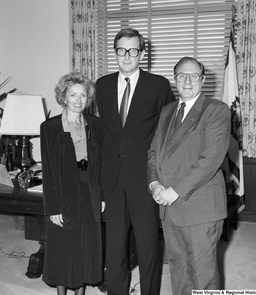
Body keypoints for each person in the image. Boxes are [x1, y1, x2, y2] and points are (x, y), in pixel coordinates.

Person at [95, 28, 175, 295]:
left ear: (142, 53)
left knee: (148, 246)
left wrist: (163, 176)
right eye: (121, 50)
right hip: (114, 179)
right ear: (115, 52)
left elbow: (169, 132)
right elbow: (104, 133)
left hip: (146, 179)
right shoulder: (102, 85)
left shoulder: (159, 85)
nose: (126, 56)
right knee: (115, 245)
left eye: (132, 50)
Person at [147, 56, 231, 294]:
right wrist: (154, 184)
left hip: (199, 207)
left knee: (203, 273)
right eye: (182, 75)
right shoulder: (168, 111)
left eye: (194, 75)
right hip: (169, 207)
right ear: (175, 80)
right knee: (179, 267)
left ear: (202, 80)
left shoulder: (216, 110)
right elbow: (154, 151)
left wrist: (174, 191)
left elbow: (210, 159)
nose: (187, 80)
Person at [41, 72, 104, 295]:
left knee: (85, 248)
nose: (78, 100)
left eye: (83, 96)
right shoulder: (50, 128)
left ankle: (81, 293)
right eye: (73, 95)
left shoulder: (96, 125)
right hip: (64, 195)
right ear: (64, 97)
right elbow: (48, 171)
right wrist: (53, 207)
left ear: (89, 99)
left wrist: (102, 196)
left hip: (90, 193)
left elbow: (102, 165)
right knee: (63, 248)